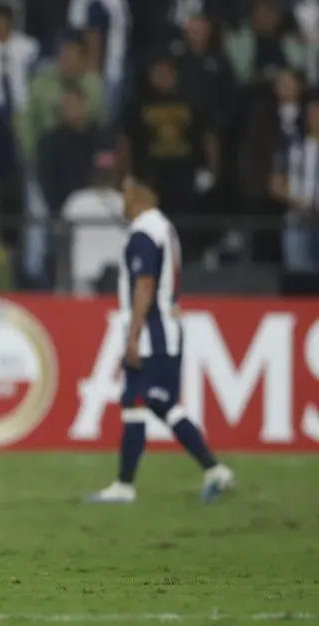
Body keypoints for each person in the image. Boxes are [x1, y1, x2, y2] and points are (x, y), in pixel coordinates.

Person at [86, 176, 234, 504]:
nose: (122, 204)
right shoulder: (164, 227)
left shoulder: (143, 232)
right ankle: (125, 485)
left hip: (154, 332)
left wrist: (135, 334)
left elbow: (145, 285)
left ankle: (214, 469)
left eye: (125, 197)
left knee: (158, 401)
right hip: (163, 326)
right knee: (134, 402)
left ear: (136, 198)